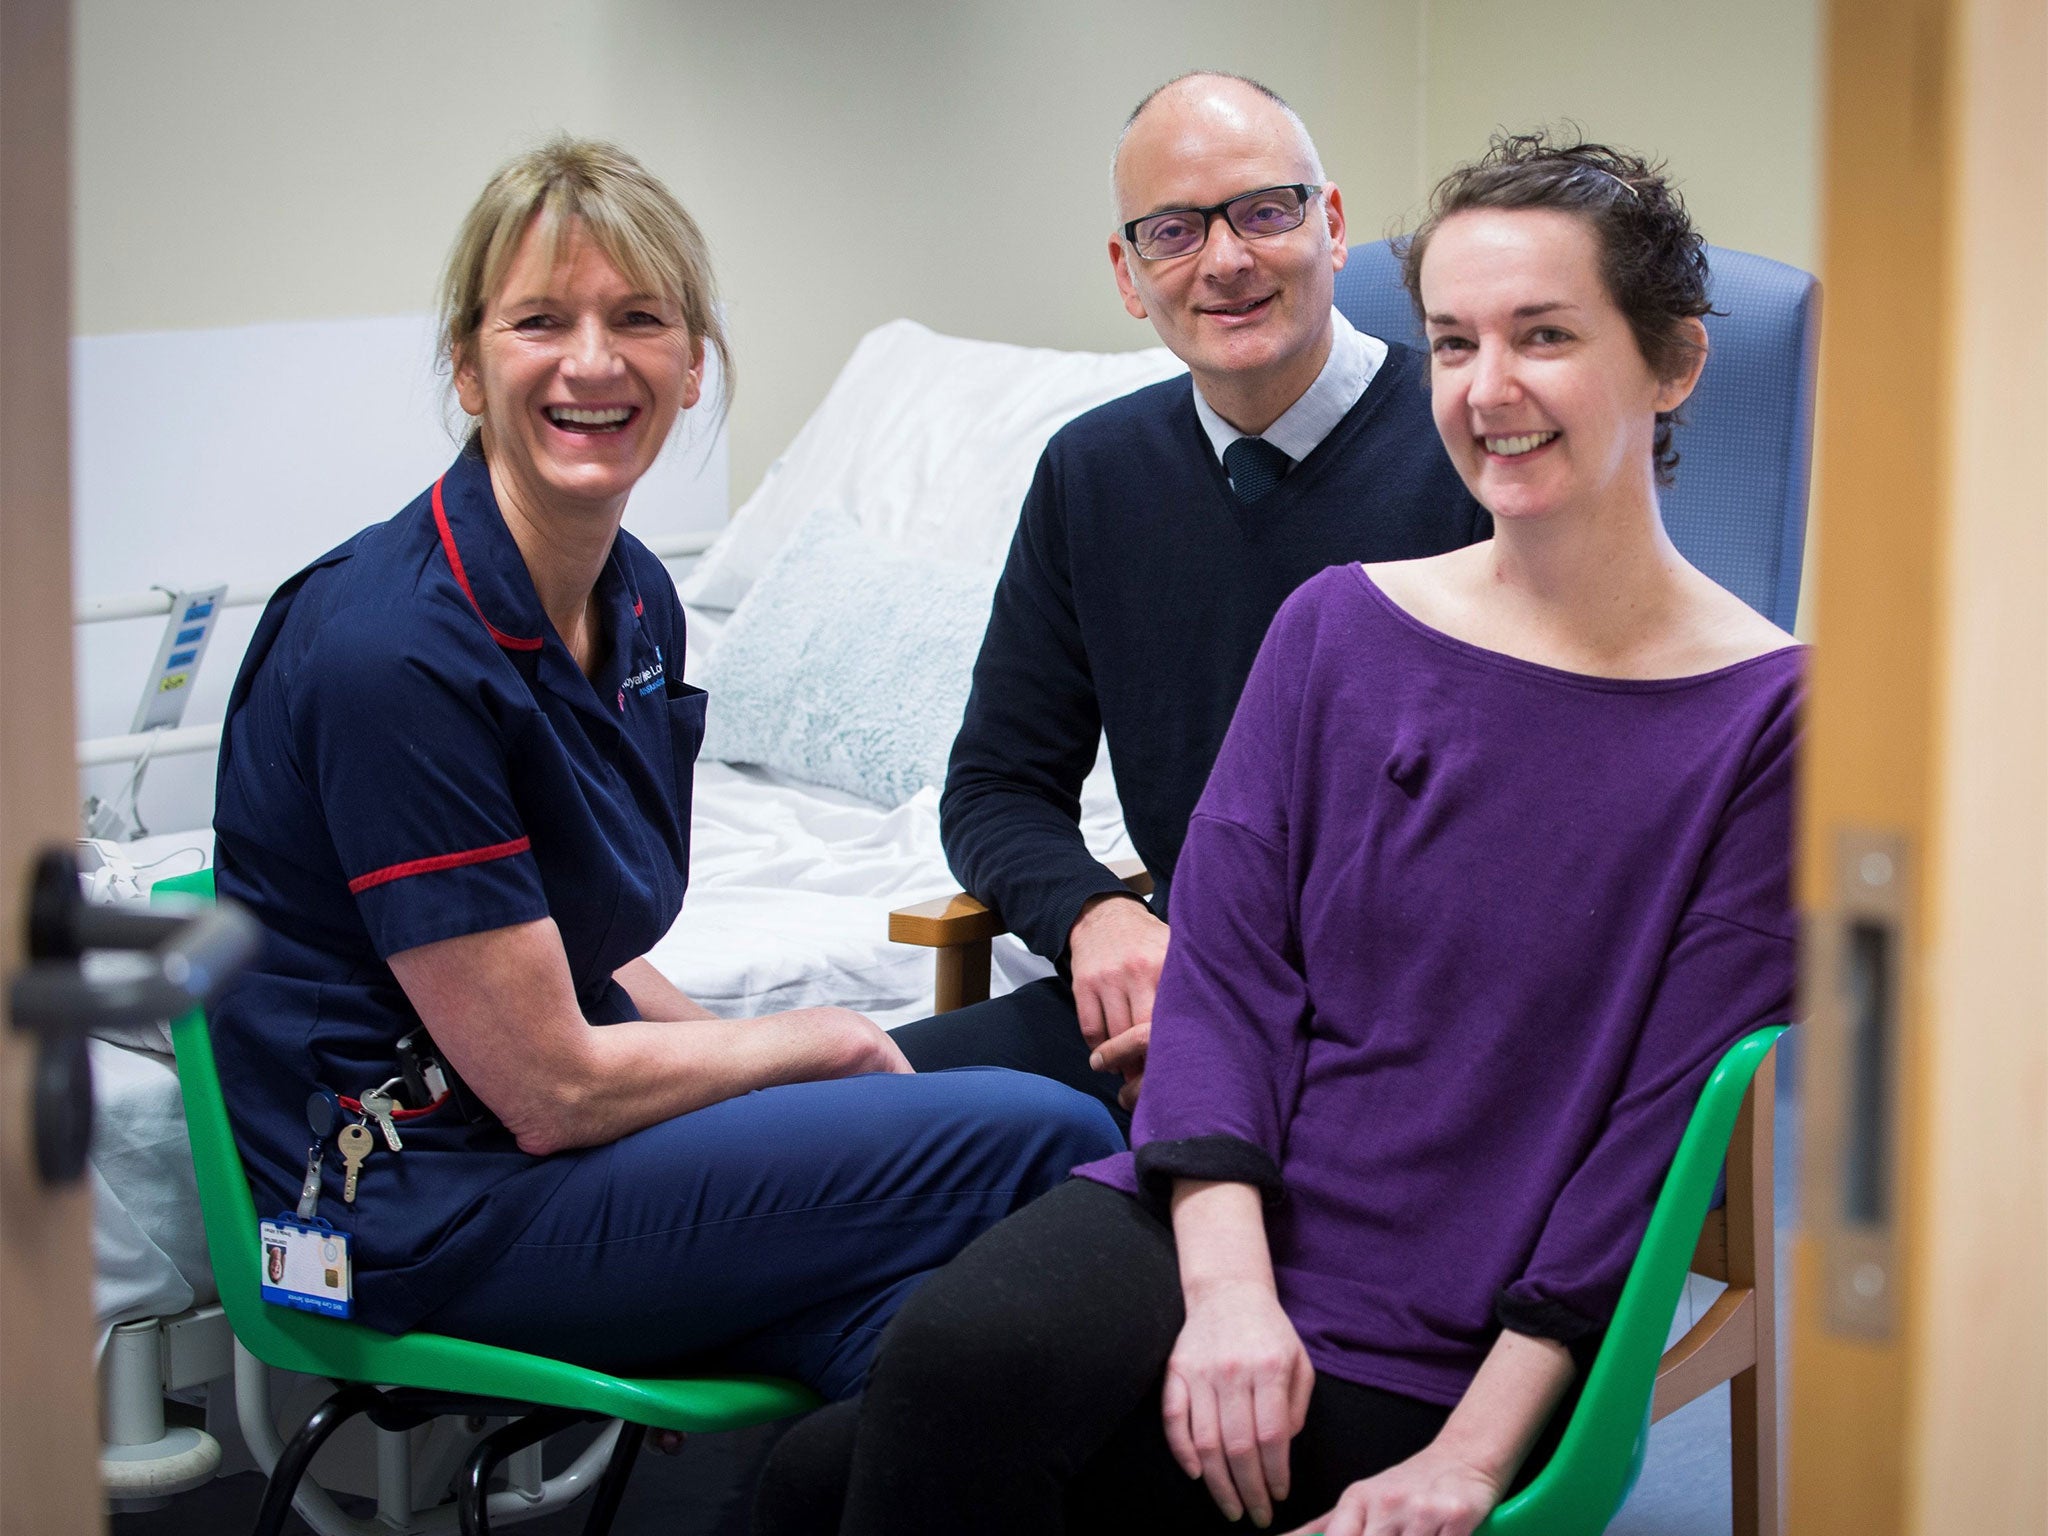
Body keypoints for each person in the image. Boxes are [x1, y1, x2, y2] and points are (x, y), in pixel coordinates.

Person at [754, 133, 1801, 1536]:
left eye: (1543, 337)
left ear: (1672, 362)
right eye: (1452, 344)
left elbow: (1656, 1140)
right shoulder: (1340, 629)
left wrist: (1480, 1453)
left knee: (865, 1486)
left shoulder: (1771, 718)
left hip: (1449, 1305)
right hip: (1217, 1208)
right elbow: (1229, 982)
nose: (1489, 391)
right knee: (940, 1378)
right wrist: (1232, 1291)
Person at [209, 137, 1120, 1401]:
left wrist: (763, 1087)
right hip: (420, 1218)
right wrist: (826, 1047)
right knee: (1050, 1137)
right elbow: (549, 1086)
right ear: (468, 368)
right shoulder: (390, 653)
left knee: (954, 1334)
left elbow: (570, 935)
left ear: (693, 367)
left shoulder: (632, 597)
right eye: (540, 320)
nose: (594, 361)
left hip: (555, 1154)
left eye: (639, 319)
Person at [891, 72, 1487, 1125]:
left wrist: (1245, 1010)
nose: (1223, 261)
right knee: (835, 1125)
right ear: (1128, 274)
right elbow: (993, 786)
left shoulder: (1471, 452)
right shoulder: (1092, 474)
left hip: (1398, 1043)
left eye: (1264, 212)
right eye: (1171, 231)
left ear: (1332, 224)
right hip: (1165, 1001)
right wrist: (1094, 918)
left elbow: (1521, 835)